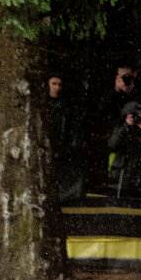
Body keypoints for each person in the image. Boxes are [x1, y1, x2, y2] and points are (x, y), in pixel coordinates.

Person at [48, 72, 85, 202]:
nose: (57, 88)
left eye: (59, 84)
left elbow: (72, 129)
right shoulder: (42, 105)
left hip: (62, 148)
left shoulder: (68, 106)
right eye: (54, 84)